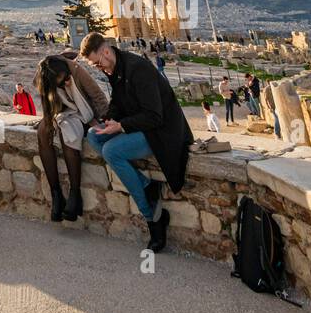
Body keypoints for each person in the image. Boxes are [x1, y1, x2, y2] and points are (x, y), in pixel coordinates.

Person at [80, 32, 194, 253]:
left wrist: (121, 127)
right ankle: (146, 185)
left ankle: (153, 220)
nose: (97, 68)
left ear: (105, 51)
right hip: (141, 126)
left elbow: (155, 116)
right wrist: (109, 120)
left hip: (162, 132)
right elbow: (119, 101)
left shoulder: (137, 69)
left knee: (112, 151)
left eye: (97, 63)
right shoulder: (115, 67)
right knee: (94, 136)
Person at [35, 52, 109, 221]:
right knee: (42, 132)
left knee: (69, 133)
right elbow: (47, 106)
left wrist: (106, 121)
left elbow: (97, 96)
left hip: (84, 113)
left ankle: (75, 195)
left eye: (66, 78)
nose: (66, 82)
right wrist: (48, 123)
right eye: (61, 82)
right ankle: (56, 195)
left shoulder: (76, 70)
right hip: (61, 112)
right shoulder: (44, 76)